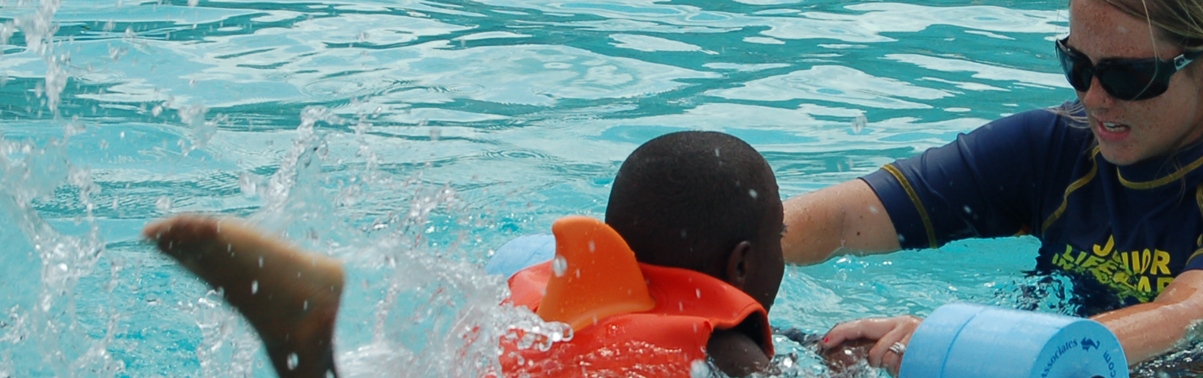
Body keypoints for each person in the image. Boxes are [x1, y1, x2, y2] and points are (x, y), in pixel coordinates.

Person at [782, 0, 1203, 372]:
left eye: (1127, 75)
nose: (1094, 97)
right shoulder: (1055, 147)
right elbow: (841, 219)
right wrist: (729, 251)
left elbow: (1188, 316)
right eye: (1077, 65)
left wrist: (957, 350)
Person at [142, 131, 788, 377]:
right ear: (740, 266)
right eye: (779, 243)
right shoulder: (727, 344)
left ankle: (309, 352)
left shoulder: (551, 293)